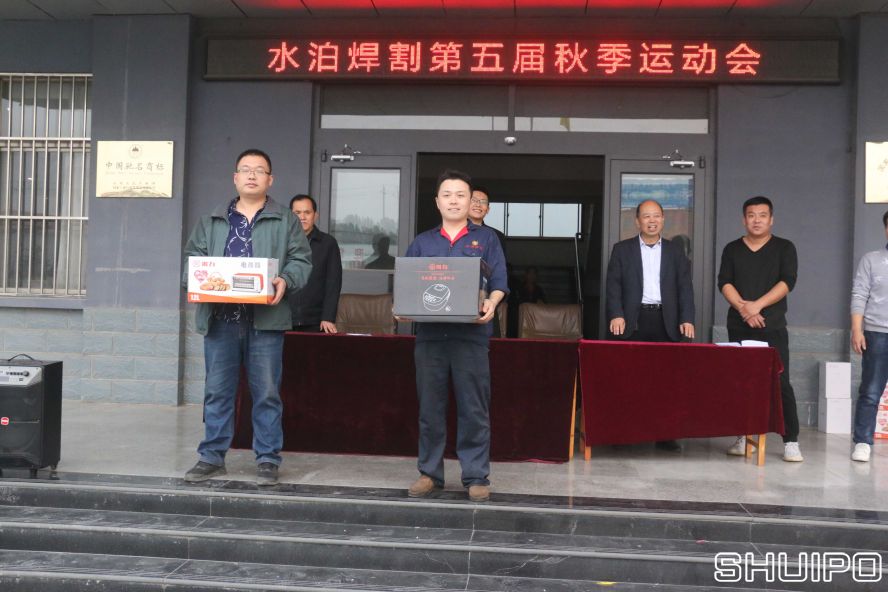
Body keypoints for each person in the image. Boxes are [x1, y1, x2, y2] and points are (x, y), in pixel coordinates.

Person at [182, 149, 312, 486]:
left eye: (259, 170)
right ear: (235, 177)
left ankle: (267, 458)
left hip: (266, 321)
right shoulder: (212, 219)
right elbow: (191, 260)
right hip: (221, 320)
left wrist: (286, 279)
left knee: (266, 393)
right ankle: (212, 457)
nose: (252, 175)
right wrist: (195, 279)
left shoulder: (286, 220)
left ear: (270, 179)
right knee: (217, 391)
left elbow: (301, 260)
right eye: (245, 169)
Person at [403, 170, 508, 503]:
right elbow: (408, 285)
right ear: (437, 202)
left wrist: (492, 302)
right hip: (431, 337)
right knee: (430, 407)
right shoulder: (422, 242)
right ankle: (429, 473)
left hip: (471, 337)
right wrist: (402, 307)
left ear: (470, 200)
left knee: (473, 408)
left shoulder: (487, 239)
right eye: (447, 195)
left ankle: (476, 475)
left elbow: (500, 282)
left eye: (460, 195)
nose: (453, 200)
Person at [605, 199, 695, 452]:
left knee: (666, 380)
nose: (652, 220)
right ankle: (623, 434)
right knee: (628, 379)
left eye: (656, 216)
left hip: (666, 321)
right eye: (646, 216)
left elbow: (684, 287)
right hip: (632, 320)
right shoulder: (622, 250)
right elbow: (613, 285)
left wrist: (687, 318)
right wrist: (616, 314)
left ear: (663, 220)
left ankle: (665, 435)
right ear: (638, 221)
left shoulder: (675, 251)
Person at [718, 195, 802, 462]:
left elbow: (787, 282)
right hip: (739, 326)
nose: (757, 220)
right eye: (751, 215)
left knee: (780, 382)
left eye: (762, 215)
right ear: (744, 220)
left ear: (771, 219)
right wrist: (744, 309)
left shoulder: (784, 247)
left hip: (772, 326)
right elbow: (724, 282)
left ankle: (791, 441)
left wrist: (757, 306)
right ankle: (744, 436)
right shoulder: (732, 249)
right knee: (741, 382)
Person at [849, 210, 888, 462]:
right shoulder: (871, 260)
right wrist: (857, 329)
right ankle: (863, 441)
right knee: (871, 391)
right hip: (877, 333)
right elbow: (859, 294)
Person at [288, 194, 342, 333]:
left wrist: (328, 317)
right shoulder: (282, 241)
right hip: (283, 318)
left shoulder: (328, 243)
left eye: (307, 212)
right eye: (297, 213)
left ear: (315, 215)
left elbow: (333, 282)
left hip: (316, 320)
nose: (302, 217)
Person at [470, 186, 509, 337]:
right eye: (474, 200)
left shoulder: (495, 236)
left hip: (486, 301)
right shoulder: (453, 231)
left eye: (483, 202)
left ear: (488, 209)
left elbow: (500, 270)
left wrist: (493, 299)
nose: (478, 204)